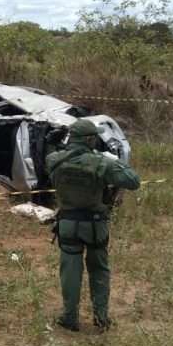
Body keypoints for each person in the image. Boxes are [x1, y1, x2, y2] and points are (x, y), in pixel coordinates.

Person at [46, 119, 141, 333]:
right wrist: (112, 162)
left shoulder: (54, 159)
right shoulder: (102, 163)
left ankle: (70, 318)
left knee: (70, 271)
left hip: (68, 222)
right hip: (95, 224)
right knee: (98, 270)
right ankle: (101, 317)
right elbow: (133, 181)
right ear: (89, 139)